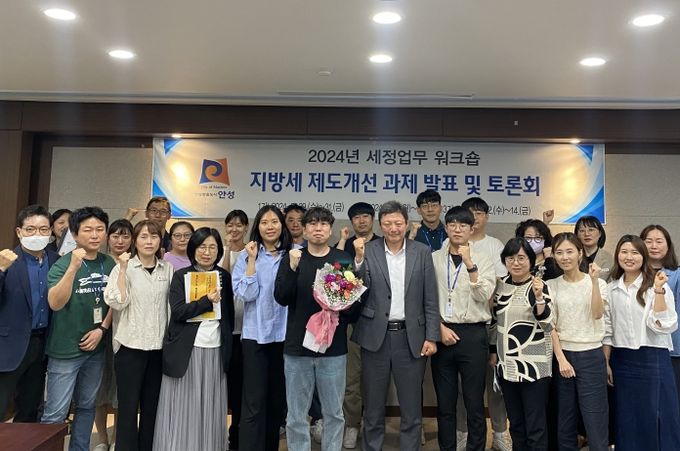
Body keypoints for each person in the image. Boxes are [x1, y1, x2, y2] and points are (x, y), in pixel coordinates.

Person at [351, 200, 440, 451]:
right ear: (380, 225)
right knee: (373, 404)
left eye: (398, 223)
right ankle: (372, 447)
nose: (393, 228)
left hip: (411, 337)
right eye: (388, 223)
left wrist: (431, 336)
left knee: (411, 405)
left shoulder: (421, 251)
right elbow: (356, 289)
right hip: (375, 337)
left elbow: (430, 298)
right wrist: (359, 259)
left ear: (407, 224)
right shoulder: (368, 250)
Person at [275, 206, 361, 451]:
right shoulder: (293, 257)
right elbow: (281, 297)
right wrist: (291, 269)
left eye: (323, 224)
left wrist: (339, 307)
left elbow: (353, 310)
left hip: (332, 349)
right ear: (304, 230)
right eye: (312, 224)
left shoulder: (342, 260)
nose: (318, 228)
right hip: (297, 348)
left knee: (333, 413)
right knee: (296, 415)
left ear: (330, 229)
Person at [41, 206, 116, 451]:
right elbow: (55, 303)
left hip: (96, 349)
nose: (95, 235)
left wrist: (102, 329)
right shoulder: (62, 264)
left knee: (86, 406)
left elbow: (115, 301)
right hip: (65, 351)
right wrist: (73, 267)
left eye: (99, 229)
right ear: (74, 233)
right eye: (88, 230)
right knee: (55, 412)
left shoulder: (108, 262)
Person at [153, 227, 234, 451]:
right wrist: (207, 301)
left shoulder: (224, 277)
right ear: (193, 249)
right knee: (185, 404)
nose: (207, 252)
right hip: (187, 350)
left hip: (216, 348)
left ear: (219, 251)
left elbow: (228, 316)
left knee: (210, 403)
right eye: (201, 247)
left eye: (212, 247)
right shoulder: (181, 276)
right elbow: (178, 312)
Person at [604, 234, 680, 450]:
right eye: (624, 252)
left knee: (658, 414)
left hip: (653, 357)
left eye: (635, 252)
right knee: (627, 417)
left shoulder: (657, 284)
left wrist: (658, 291)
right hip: (622, 360)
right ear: (617, 255)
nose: (629, 257)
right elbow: (607, 330)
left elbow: (665, 325)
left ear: (643, 256)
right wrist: (606, 362)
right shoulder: (610, 288)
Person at [430, 206, 496, 451]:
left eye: (463, 225)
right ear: (446, 227)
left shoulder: (484, 258)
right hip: (442, 332)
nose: (457, 229)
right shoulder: (434, 258)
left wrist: (470, 264)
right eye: (453, 225)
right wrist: (437, 327)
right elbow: (426, 298)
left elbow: (484, 295)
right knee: (445, 403)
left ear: (471, 228)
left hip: (473, 334)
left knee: (474, 402)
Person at [103, 220, 172, 451]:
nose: (149, 241)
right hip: (130, 348)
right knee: (128, 408)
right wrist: (123, 270)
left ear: (160, 240)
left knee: (152, 408)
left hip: (158, 349)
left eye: (154, 236)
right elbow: (118, 302)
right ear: (135, 241)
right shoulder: (122, 268)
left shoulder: (168, 269)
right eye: (143, 236)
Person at [232, 205, 292, 451]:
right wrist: (252, 260)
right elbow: (246, 294)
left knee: (277, 403)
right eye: (264, 222)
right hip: (255, 337)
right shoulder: (245, 256)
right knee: (253, 403)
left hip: (285, 336)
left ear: (282, 225)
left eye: (274, 222)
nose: (270, 227)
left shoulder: (294, 254)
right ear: (257, 226)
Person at [547, 233, 608, 451]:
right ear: (554, 256)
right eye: (559, 252)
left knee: (595, 416)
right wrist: (561, 359)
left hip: (591, 355)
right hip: (563, 356)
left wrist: (594, 282)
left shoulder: (598, 282)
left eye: (569, 251)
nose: (565, 257)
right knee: (565, 417)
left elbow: (598, 313)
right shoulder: (551, 285)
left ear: (580, 253)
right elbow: (550, 325)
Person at [491, 237, 554, 451]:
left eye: (521, 258)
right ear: (504, 261)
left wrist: (539, 298)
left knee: (535, 425)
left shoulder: (538, 285)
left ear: (530, 260)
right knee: (516, 424)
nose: (516, 263)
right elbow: (494, 321)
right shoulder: (500, 285)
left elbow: (547, 323)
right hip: (507, 365)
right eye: (510, 258)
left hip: (534, 366)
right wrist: (493, 352)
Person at [459, 196, 510, 451]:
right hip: (462, 323)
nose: (475, 217)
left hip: (491, 322)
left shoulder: (494, 245)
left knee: (495, 382)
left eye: (479, 213)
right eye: (470, 213)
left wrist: (487, 302)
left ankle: (500, 433)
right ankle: (462, 433)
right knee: (464, 386)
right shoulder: (452, 243)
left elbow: (502, 281)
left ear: (487, 217)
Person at [0, 205, 59, 422]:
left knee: (29, 408)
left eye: (43, 229)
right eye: (30, 229)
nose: (37, 235)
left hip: (42, 344)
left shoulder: (56, 260)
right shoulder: (6, 260)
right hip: (9, 346)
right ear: (19, 232)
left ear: (50, 232)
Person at [335, 202, 381, 449]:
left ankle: (374, 425)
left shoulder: (385, 244)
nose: (361, 221)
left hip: (380, 322)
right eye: (356, 217)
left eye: (365, 216)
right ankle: (352, 424)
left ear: (373, 219)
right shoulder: (344, 246)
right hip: (351, 321)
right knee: (351, 378)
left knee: (377, 379)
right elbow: (334, 280)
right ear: (351, 221)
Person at [94, 218, 134, 451]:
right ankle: (102, 438)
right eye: (116, 235)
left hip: (123, 332)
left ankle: (118, 436)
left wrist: (105, 326)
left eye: (125, 236)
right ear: (108, 238)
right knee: (99, 387)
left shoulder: (135, 264)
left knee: (121, 389)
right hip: (98, 334)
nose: (120, 241)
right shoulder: (100, 262)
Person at [641, 224, 680, 409]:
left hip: (672, 349)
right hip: (642, 346)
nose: (653, 246)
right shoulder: (633, 274)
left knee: (671, 402)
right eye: (648, 241)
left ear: (668, 245)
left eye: (659, 241)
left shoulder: (677, 275)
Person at [221, 208, 249, 450]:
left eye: (239, 225)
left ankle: (236, 437)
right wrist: (228, 250)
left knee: (240, 388)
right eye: (230, 225)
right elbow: (223, 281)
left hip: (246, 330)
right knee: (223, 388)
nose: (234, 229)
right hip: (225, 331)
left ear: (246, 228)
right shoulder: (219, 252)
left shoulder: (252, 252)